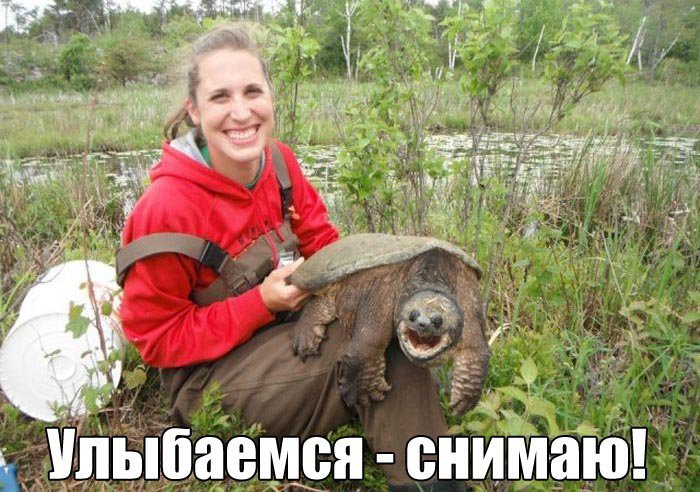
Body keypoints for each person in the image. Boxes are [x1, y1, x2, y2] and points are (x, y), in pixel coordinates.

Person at [117, 24, 464, 492]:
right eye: (220, 97)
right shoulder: (165, 208)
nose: (241, 112)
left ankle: (422, 464)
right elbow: (156, 341)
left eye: (252, 91)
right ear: (194, 111)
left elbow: (325, 246)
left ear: (270, 96)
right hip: (209, 382)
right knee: (372, 341)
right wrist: (261, 303)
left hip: (285, 339)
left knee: (392, 318)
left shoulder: (279, 163)